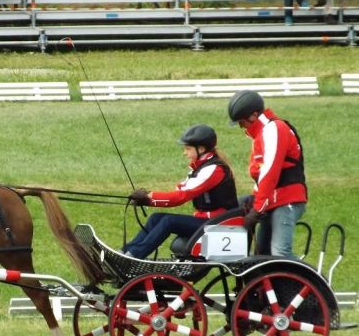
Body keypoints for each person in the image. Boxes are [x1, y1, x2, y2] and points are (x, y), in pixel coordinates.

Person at [122, 124, 238, 259]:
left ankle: (133, 256)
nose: (185, 153)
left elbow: (181, 196)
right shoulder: (200, 167)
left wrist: (149, 198)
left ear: (201, 149)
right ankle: (125, 252)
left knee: (169, 221)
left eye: (188, 149)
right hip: (208, 221)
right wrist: (148, 197)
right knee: (156, 217)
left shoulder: (214, 170)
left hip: (220, 224)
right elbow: (180, 190)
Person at [227, 90, 308, 258]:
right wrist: (256, 202)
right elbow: (260, 176)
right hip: (271, 202)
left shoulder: (274, 129)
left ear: (254, 115)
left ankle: (312, 277)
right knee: (261, 256)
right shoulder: (261, 134)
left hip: (287, 200)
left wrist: (257, 209)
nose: (241, 126)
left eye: (242, 121)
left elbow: (270, 172)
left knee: (280, 253)